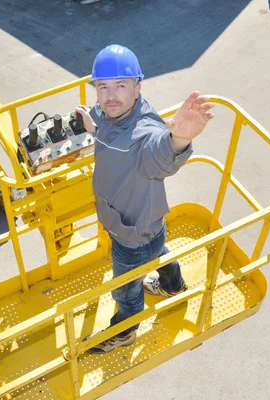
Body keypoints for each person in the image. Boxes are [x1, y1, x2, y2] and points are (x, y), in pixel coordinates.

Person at [74, 44, 215, 354]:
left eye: (120, 86)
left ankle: (125, 330)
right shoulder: (112, 114)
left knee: (125, 289)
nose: (110, 95)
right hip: (145, 224)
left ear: (137, 89)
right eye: (103, 87)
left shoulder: (143, 130)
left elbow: (158, 152)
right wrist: (92, 125)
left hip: (130, 233)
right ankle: (172, 285)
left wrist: (179, 139)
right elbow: (109, 126)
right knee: (158, 252)